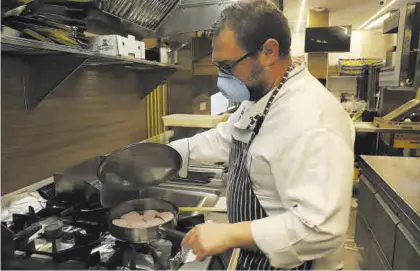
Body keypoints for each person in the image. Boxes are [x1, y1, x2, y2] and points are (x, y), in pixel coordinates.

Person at [169, 0, 355, 269]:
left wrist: (228, 233)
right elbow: (227, 138)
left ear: (269, 51)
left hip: (295, 264)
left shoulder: (314, 118)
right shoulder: (263, 96)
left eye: (228, 66)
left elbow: (321, 228)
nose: (221, 78)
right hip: (257, 257)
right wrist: (167, 155)